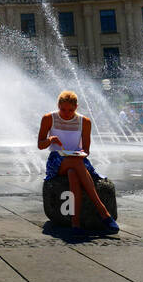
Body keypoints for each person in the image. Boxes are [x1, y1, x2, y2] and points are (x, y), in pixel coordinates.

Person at [38, 91, 119, 235]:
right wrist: (50, 140)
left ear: (76, 107)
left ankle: (76, 223)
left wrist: (79, 153)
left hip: (78, 160)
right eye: (63, 109)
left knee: (73, 173)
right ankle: (103, 211)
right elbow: (40, 144)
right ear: (58, 106)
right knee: (75, 165)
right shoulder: (49, 118)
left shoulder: (85, 121)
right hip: (57, 161)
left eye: (71, 110)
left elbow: (86, 150)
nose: (67, 113)